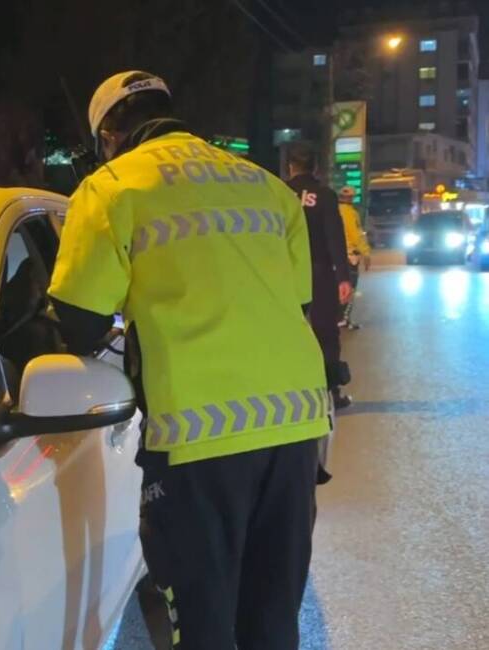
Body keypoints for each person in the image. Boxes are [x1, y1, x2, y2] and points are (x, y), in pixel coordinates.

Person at [48, 70, 332, 650]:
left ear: (109, 134)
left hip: (201, 438)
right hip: (297, 425)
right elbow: (295, 299)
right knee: (273, 617)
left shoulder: (111, 189)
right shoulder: (265, 184)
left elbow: (78, 322)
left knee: (203, 626)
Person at [284, 146, 353, 409]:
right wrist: (343, 277)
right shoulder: (324, 196)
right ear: (316, 169)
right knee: (326, 331)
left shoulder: (278, 193)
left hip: (285, 273)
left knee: (290, 331)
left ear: (290, 167)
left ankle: (293, 393)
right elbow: (334, 236)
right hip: (319, 271)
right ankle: (331, 391)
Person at [338, 186, 371, 329]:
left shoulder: (334, 210)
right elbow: (356, 234)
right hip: (351, 255)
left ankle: (337, 318)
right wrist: (366, 253)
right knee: (350, 287)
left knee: (338, 287)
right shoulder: (351, 213)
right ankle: (344, 319)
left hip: (336, 255)